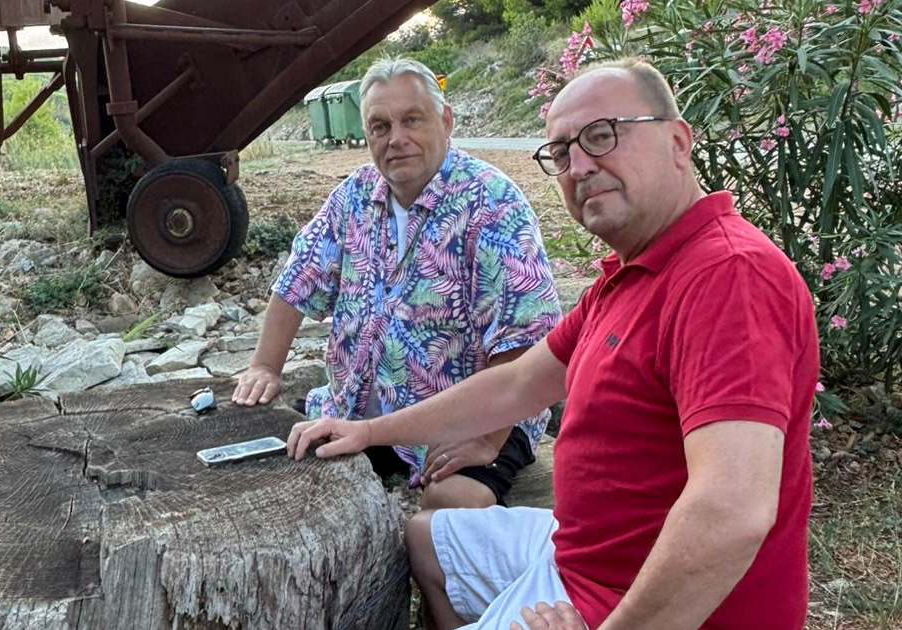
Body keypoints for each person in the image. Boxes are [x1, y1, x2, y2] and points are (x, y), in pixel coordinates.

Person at [285, 58, 819, 630]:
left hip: (641, 599)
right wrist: (369, 431)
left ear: (678, 142)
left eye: (601, 135)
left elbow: (732, 512)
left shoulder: (728, 275)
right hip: (582, 554)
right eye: (562, 152)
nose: (580, 166)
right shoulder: (634, 272)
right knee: (428, 536)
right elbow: (516, 384)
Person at [232, 57, 561, 511]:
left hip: (472, 420)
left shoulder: (493, 204)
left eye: (412, 120)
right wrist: (265, 367)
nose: (396, 138)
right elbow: (298, 277)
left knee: (452, 505)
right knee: (266, 476)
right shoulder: (354, 195)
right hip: (355, 412)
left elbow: (526, 340)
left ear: (445, 121)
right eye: (381, 126)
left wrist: (486, 438)